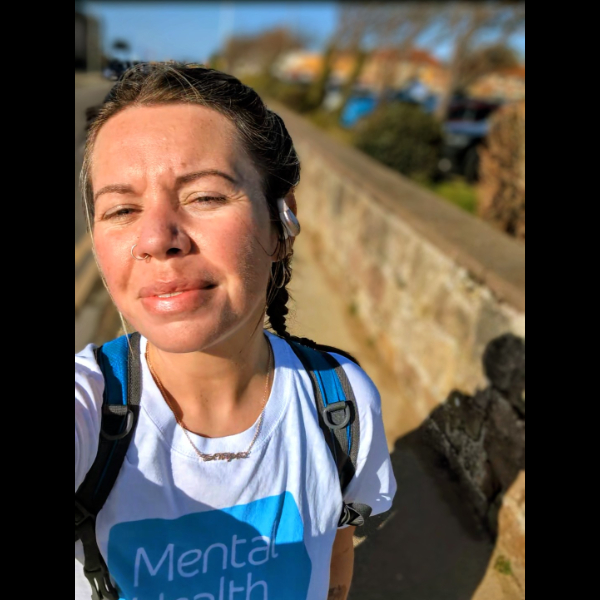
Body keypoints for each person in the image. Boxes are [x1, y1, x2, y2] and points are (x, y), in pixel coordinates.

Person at [75, 64, 397, 600]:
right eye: (123, 209)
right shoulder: (90, 405)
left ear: (283, 222)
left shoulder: (343, 404)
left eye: (204, 196)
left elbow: (337, 550)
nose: (156, 238)